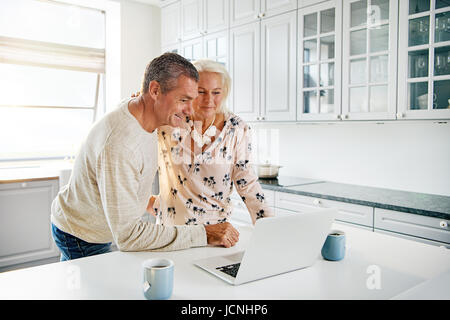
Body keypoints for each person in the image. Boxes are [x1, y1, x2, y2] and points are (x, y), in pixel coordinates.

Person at [51, 53, 239, 261]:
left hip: (93, 225)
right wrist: (205, 233)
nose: (190, 109)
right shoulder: (120, 145)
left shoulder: (144, 113)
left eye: (192, 100)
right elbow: (129, 236)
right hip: (81, 236)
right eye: (183, 100)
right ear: (155, 90)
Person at [150, 59, 274, 240]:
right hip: (171, 235)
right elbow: (131, 153)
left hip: (216, 235)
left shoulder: (236, 128)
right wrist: (146, 203)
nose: (209, 100)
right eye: (201, 92)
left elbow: (246, 182)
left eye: (216, 92)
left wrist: (271, 229)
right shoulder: (169, 120)